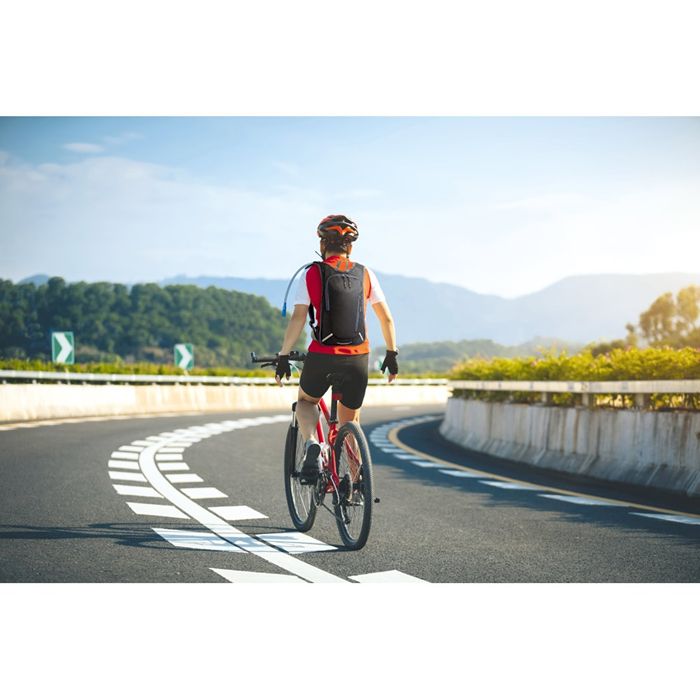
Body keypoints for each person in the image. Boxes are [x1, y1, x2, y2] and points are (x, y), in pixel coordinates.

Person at [275, 214, 399, 483]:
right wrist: (391, 354)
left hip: (322, 355)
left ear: (322, 244)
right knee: (350, 422)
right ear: (350, 247)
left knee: (306, 402)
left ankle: (311, 444)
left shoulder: (312, 273)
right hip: (358, 358)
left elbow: (298, 318)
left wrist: (284, 355)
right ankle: (355, 485)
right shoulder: (366, 274)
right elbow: (386, 318)